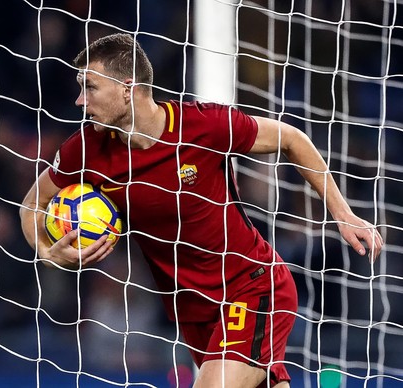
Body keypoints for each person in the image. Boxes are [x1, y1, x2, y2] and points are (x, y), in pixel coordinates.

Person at [19, 33, 383, 388]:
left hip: (251, 286)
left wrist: (343, 214)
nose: (81, 101)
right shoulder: (85, 151)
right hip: (192, 312)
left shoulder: (202, 125)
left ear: (127, 88)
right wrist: (48, 253)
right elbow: (32, 205)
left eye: (91, 88)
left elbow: (291, 138)